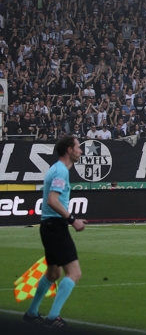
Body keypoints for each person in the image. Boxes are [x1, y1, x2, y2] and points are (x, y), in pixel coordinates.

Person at [23, 135, 86, 328]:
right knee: (74, 273)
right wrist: (72, 219)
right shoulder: (60, 172)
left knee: (53, 273)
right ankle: (53, 317)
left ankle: (32, 313)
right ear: (69, 150)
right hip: (56, 226)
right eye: (78, 147)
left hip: (48, 226)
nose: (81, 151)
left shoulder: (56, 169)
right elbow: (52, 200)